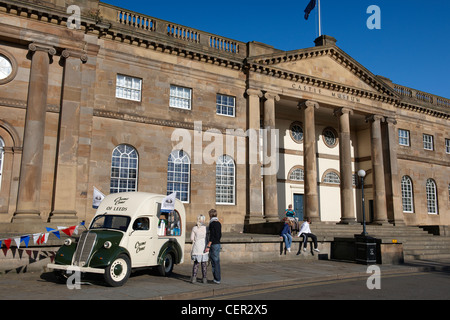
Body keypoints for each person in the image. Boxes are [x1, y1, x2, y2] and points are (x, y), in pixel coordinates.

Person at [190, 215, 209, 284]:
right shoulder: (206, 228)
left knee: (196, 263)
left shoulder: (194, 228)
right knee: (204, 264)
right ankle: (204, 279)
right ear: (203, 220)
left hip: (197, 247)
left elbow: (191, 238)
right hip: (204, 246)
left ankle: (194, 278)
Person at [205, 209, 221, 284]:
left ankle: (216, 279)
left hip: (213, 244)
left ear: (211, 215)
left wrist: (208, 245)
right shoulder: (219, 223)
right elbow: (219, 235)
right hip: (218, 244)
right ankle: (217, 278)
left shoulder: (212, 224)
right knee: (217, 262)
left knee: (214, 262)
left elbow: (212, 236)